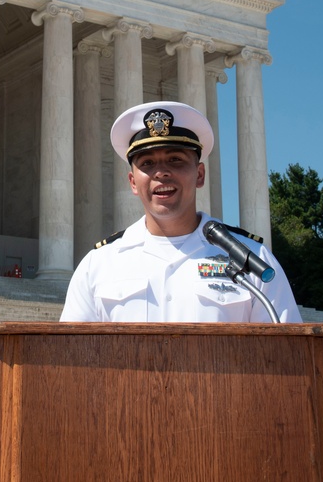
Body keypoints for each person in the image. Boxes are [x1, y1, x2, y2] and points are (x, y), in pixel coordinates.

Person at [60, 101, 301, 324]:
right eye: (147, 163)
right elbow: (71, 357)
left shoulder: (251, 259)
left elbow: (288, 353)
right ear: (133, 182)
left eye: (175, 160)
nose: (161, 172)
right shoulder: (100, 264)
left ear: (199, 175)